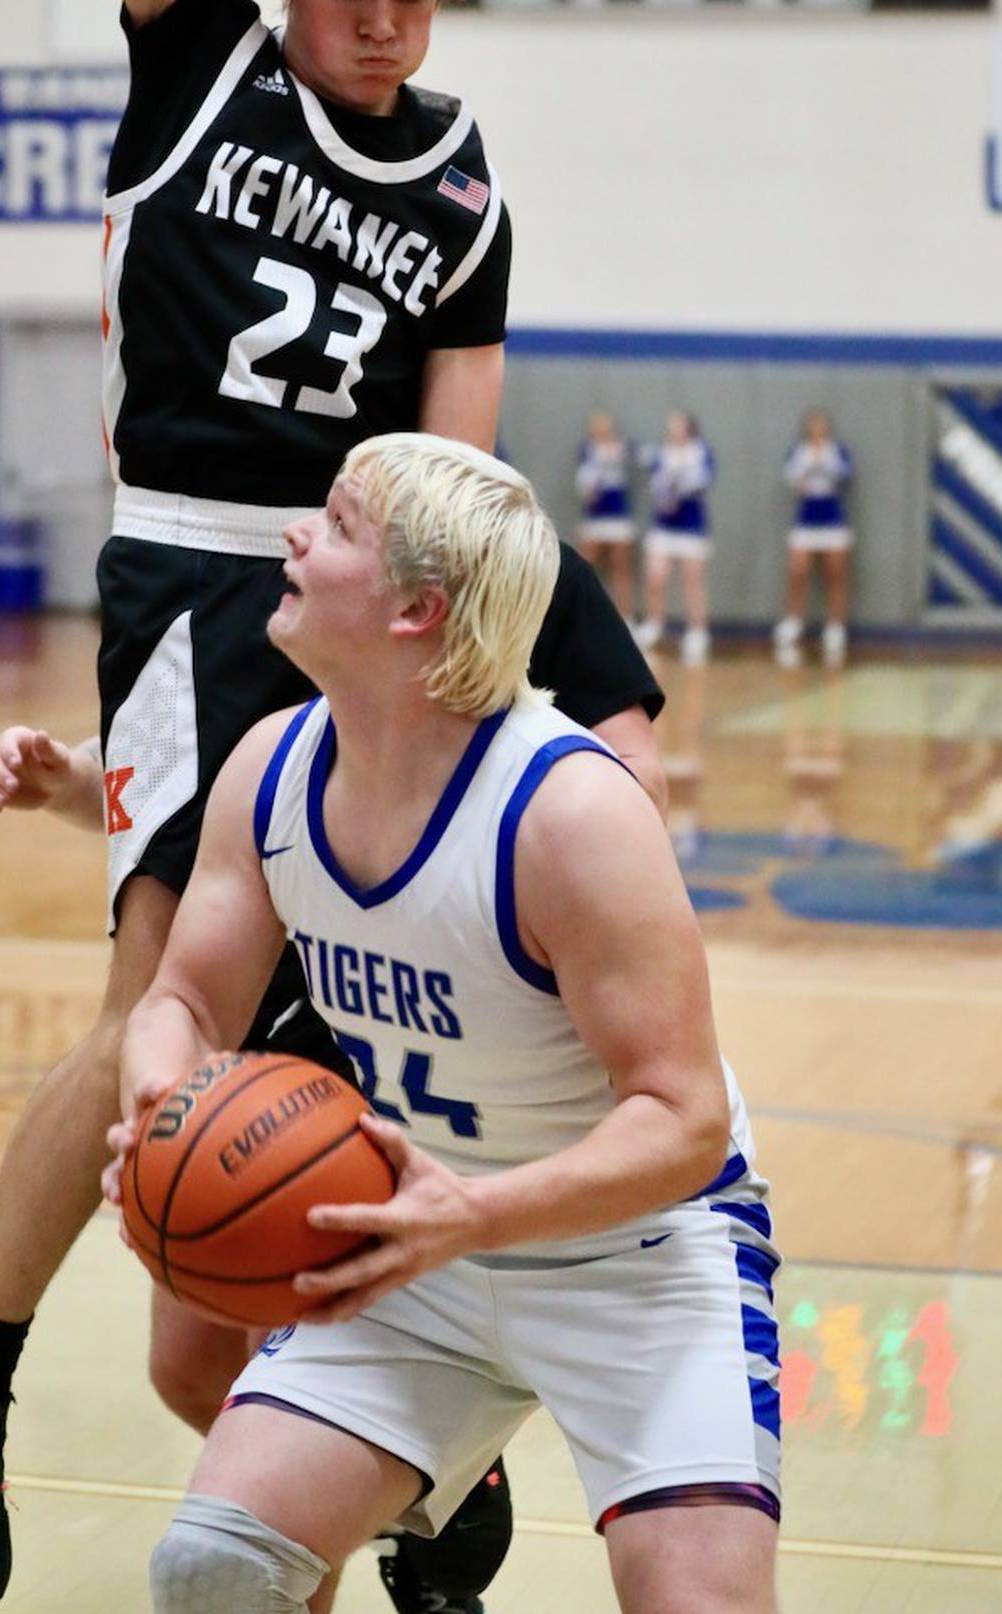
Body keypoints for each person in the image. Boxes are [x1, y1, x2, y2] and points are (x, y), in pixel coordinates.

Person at [0, 0, 536, 1614]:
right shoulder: (200, 57)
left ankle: (401, 1450)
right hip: (191, 576)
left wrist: (441, 678)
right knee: (154, 978)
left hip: (372, 603)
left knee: (362, 1051)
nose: (380, 27)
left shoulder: (462, 189)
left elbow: (459, 474)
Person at [103, 435, 781, 1614]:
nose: (296, 535)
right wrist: (165, 1109)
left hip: (639, 1259)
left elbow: (683, 1118)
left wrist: (468, 1214)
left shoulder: (570, 812)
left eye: (339, 524)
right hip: (412, 1253)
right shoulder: (270, 769)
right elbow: (185, 1000)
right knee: (215, 1571)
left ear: (417, 608)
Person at [0, 536, 666, 1614]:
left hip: (439, 1031)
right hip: (275, 984)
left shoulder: (506, 557)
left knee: (289, 1366)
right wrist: (76, 780)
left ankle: (388, 1482)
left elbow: (633, 777)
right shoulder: (273, 583)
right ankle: (423, 1477)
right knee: (190, 1361)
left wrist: (504, 860)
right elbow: (180, 779)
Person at [772, 409, 854, 669]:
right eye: (813, 425)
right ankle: (794, 622)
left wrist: (825, 465)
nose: (817, 429)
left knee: (835, 573)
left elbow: (844, 476)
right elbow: (794, 481)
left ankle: (835, 626)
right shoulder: (799, 452)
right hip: (806, 520)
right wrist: (808, 469)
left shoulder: (837, 451)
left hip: (832, 519)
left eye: (821, 424)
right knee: (798, 571)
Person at [637, 410, 715, 666]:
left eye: (679, 425)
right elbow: (655, 483)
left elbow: (701, 482)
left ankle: (697, 632)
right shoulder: (662, 453)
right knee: (656, 576)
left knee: (692, 580)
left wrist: (677, 483)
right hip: (663, 526)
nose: (674, 430)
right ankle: (655, 624)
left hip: (691, 526)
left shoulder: (701, 453)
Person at [575, 410, 636, 625]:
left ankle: (625, 619)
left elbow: (635, 455)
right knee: (584, 566)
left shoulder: (623, 447)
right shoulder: (587, 450)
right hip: (594, 517)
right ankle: (579, 617)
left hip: (618, 515)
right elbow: (585, 488)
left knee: (621, 567)